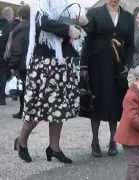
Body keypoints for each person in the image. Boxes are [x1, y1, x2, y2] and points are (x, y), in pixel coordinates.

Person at [14, 0, 87, 163]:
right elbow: (45, 23)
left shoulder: (68, 6)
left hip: (63, 63)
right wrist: (68, 29)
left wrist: (81, 21)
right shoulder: (40, 5)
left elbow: (78, 28)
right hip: (44, 64)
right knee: (38, 107)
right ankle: (21, 141)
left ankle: (54, 148)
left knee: (59, 109)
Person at [81, 0, 134, 157]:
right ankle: (95, 141)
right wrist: (83, 66)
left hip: (118, 66)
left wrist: (129, 64)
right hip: (97, 64)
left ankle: (113, 140)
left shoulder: (128, 17)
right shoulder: (94, 13)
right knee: (96, 101)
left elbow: (130, 45)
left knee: (116, 102)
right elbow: (87, 41)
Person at [7, 5, 30, 119]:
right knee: (29, 89)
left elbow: (17, 49)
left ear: (20, 16)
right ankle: (28, 111)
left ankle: (22, 111)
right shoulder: (34, 27)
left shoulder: (19, 28)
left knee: (22, 88)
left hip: (22, 64)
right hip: (32, 62)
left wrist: (12, 65)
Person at [0, 7, 14, 105]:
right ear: (9, 15)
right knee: (3, 76)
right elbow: (10, 44)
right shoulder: (10, 27)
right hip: (4, 57)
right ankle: (2, 99)